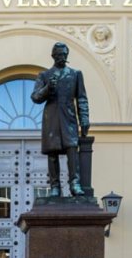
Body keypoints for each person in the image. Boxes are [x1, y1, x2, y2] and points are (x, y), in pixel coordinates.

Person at [30, 42, 90, 197]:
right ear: (53, 56)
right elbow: (36, 97)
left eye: (64, 54)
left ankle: (74, 184)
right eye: (58, 54)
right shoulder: (44, 76)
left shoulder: (76, 74)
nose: (62, 57)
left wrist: (84, 119)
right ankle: (55, 186)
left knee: (72, 149)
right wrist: (48, 87)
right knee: (52, 152)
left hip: (69, 116)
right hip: (51, 116)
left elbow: (82, 98)